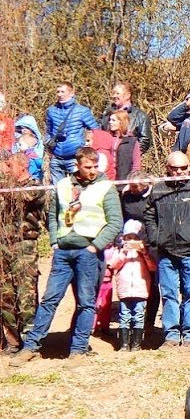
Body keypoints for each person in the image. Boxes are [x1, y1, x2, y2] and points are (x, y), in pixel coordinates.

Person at [11, 147, 122, 362]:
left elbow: (115, 221)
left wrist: (96, 245)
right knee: (50, 299)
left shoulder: (106, 187)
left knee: (86, 302)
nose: (92, 171)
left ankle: (78, 349)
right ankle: (31, 347)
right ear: (77, 166)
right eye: (87, 167)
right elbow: (53, 215)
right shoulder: (62, 186)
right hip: (63, 252)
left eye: (95, 166)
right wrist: (54, 241)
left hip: (88, 252)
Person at [145, 152, 190, 346]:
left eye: (183, 168)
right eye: (174, 168)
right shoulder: (158, 190)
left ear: (189, 168)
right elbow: (149, 215)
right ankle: (171, 335)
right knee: (168, 294)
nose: (178, 172)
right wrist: (155, 237)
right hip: (166, 252)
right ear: (167, 168)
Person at [0, 152, 45, 353]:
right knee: (6, 294)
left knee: (26, 293)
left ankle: (30, 341)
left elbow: (20, 197)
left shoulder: (34, 186)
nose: (7, 170)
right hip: (4, 246)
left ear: (22, 166)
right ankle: (12, 340)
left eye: (10, 166)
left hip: (25, 246)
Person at [106, 220, 156, 351]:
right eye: (128, 238)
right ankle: (123, 344)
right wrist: (124, 253)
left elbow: (152, 267)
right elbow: (112, 265)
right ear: (123, 239)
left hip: (140, 290)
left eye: (135, 238)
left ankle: (136, 344)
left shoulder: (144, 254)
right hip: (125, 290)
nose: (131, 241)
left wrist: (144, 252)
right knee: (124, 316)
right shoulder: (120, 252)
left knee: (139, 315)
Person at [44, 82, 100, 183]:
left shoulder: (82, 111)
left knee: (78, 186)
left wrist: (87, 147)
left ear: (71, 93)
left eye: (62, 92)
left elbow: (96, 130)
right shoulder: (51, 111)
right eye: (58, 92)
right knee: (57, 190)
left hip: (75, 157)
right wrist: (48, 142)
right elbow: (48, 130)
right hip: (56, 156)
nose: (60, 94)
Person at [100, 82, 153, 153]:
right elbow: (101, 131)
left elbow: (145, 140)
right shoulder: (107, 112)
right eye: (113, 93)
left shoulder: (140, 116)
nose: (114, 96)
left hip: (127, 159)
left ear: (128, 95)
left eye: (117, 93)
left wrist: (131, 154)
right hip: (108, 157)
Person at [90, 110, 142, 180]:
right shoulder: (107, 138)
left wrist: (131, 182)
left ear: (121, 122)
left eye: (113, 120)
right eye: (110, 120)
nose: (110, 122)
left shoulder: (132, 141)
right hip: (107, 177)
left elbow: (136, 166)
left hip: (124, 179)